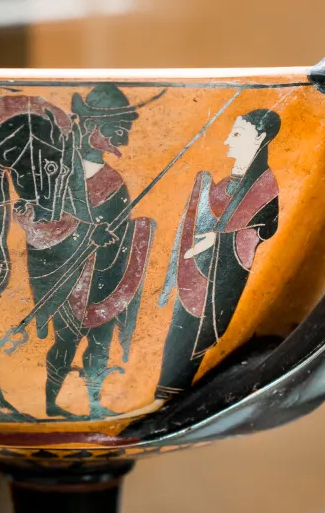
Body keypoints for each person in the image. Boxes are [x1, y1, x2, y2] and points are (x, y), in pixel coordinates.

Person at [17, 83, 155, 418]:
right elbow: (41, 228)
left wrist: (129, 231)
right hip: (67, 277)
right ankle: (51, 404)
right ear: (92, 126)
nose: (122, 140)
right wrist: (86, 232)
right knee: (66, 342)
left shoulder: (114, 181)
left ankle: (94, 402)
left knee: (100, 340)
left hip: (105, 276)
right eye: (117, 130)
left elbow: (120, 230)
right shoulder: (55, 173)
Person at [156, 107, 280, 399]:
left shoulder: (264, 187)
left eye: (237, 134)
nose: (227, 141)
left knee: (190, 339)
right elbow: (209, 214)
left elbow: (265, 229)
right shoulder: (226, 183)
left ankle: (170, 396)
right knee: (177, 335)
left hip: (216, 281)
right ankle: (164, 394)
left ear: (259, 137)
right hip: (193, 276)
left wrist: (219, 239)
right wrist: (202, 189)